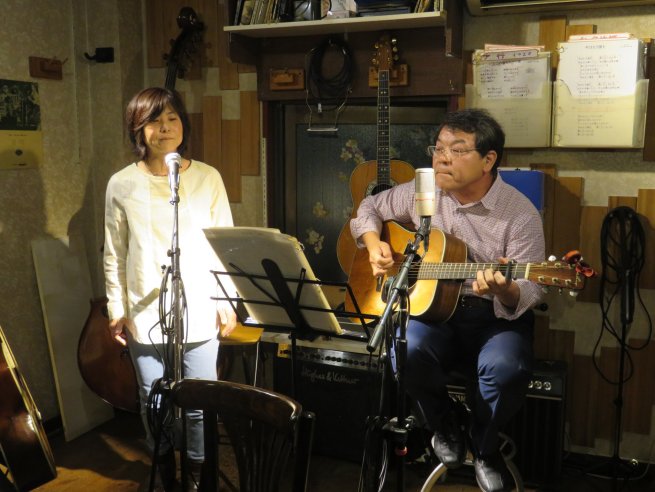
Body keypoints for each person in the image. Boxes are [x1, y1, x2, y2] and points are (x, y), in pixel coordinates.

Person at [350, 109, 545, 492]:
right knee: (403, 348)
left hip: (495, 319)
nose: (442, 159)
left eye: (456, 150)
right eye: (438, 149)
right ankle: (444, 426)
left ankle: (484, 446)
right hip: (435, 313)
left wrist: (504, 289)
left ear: (488, 160)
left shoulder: (520, 214)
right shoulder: (424, 193)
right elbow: (369, 207)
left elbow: (533, 288)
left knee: (507, 369)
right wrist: (374, 245)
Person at [104, 87, 237, 491]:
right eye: (154, 121)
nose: (165, 128)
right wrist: (116, 307)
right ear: (138, 130)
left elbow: (224, 244)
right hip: (144, 310)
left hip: (199, 305)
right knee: (153, 400)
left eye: (172, 119)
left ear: (184, 125)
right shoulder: (121, 183)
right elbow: (114, 252)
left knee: (199, 401)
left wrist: (227, 300)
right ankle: (164, 472)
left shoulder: (208, 177)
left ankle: (198, 477)